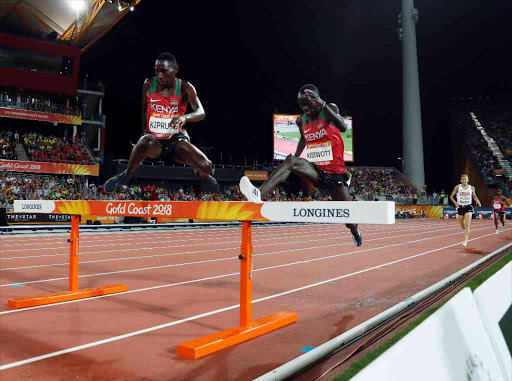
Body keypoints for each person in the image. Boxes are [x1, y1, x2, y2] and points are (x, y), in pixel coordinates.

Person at [239, 84, 362, 246]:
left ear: (316, 100)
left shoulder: (328, 109)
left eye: (309, 104)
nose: (305, 108)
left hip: (336, 175)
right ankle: (258, 194)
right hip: (317, 171)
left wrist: (322, 103)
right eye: (301, 105)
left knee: (349, 220)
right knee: (290, 161)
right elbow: (304, 139)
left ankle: (355, 232)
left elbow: (343, 127)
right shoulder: (300, 121)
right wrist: (293, 162)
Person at [104, 52, 218, 193]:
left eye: (163, 71)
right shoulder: (148, 84)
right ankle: (126, 175)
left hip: (176, 141)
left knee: (206, 166)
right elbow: (144, 110)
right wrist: (144, 132)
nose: (159, 75)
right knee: (145, 141)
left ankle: (201, 174)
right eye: (157, 71)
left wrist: (184, 118)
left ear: (175, 69)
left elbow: (201, 113)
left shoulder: (185, 87)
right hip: (155, 142)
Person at [449, 174, 481, 247]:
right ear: (461, 180)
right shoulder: (457, 187)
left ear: (468, 180)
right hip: (460, 207)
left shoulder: (472, 188)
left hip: (468, 207)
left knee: (468, 224)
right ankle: (463, 225)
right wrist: (456, 203)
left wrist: (478, 201)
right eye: (462, 179)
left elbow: (474, 196)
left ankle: (465, 241)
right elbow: (451, 196)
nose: (464, 180)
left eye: (465, 179)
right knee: (462, 226)